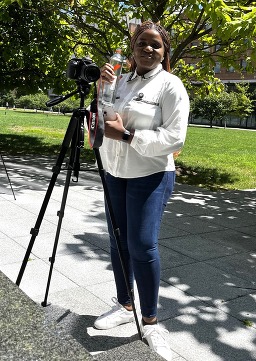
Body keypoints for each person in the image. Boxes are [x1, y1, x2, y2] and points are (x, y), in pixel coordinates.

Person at [94, 20, 189, 361]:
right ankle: (124, 304)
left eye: (156, 45)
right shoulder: (119, 80)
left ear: (165, 51)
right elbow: (103, 120)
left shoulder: (171, 86)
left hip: (149, 175)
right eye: (141, 43)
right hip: (115, 173)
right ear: (132, 47)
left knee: (142, 246)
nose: (148, 48)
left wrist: (129, 136)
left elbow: (175, 139)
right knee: (118, 241)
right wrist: (100, 90)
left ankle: (150, 321)